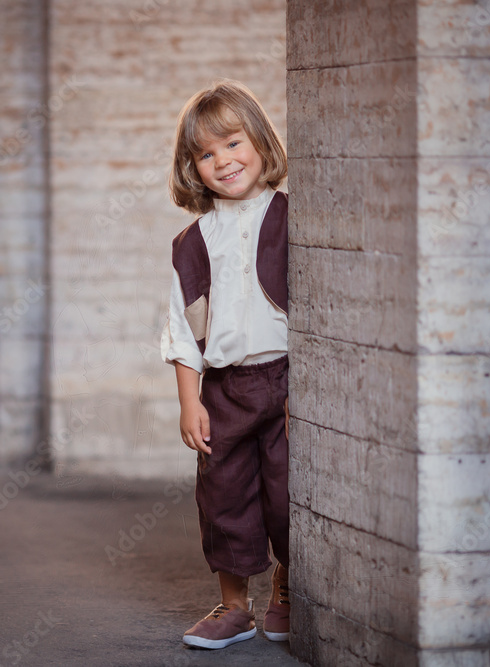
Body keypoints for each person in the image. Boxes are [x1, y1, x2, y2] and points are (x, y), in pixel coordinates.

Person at [160, 78, 291, 650]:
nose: (223, 161)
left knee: (288, 494)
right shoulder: (192, 241)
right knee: (224, 494)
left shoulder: (293, 218)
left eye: (233, 143)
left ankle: (286, 593)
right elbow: (181, 332)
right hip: (225, 390)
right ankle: (234, 606)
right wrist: (191, 403)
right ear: (192, 169)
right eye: (206, 154)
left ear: (260, 142)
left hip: (289, 383)